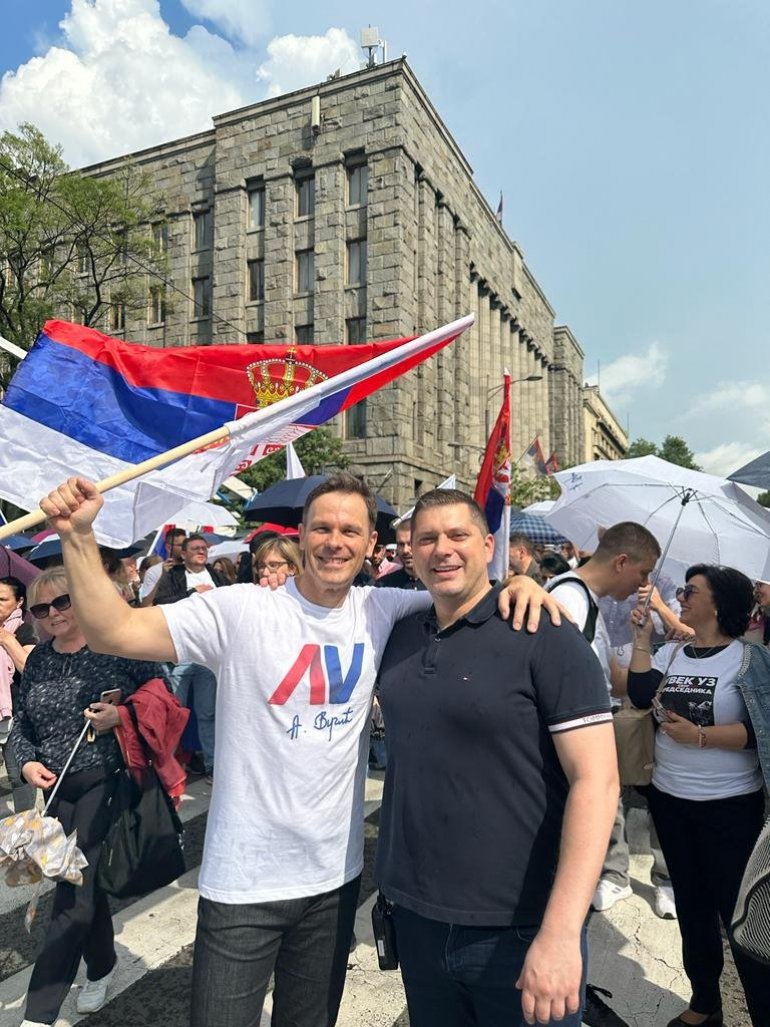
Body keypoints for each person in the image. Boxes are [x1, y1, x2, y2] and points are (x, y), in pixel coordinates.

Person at [39, 473, 560, 1027]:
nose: (335, 541)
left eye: (350, 530)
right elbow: (113, 631)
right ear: (301, 535)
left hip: (334, 882)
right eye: (322, 528)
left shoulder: (384, 608)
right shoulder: (240, 610)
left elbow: (462, 590)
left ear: (370, 544)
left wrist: (516, 586)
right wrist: (78, 536)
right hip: (243, 882)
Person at [376, 489, 619, 1027]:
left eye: (457, 535)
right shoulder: (399, 631)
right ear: (410, 551)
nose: (442, 549)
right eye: (427, 538)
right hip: (416, 919)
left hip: (520, 927)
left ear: (488, 546)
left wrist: (561, 934)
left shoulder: (545, 633)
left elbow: (598, 782)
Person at [11, 567, 165, 1027]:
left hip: (107, 782)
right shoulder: (39, 658)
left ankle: (37, 1014)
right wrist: (25, 762)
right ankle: (101, 966)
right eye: (41, 608)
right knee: (82, 888)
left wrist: (121, 716)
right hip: (56, 792)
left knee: (72, 895)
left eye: (62, 601)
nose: (53, 614)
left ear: (81, 598)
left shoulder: (117, 645)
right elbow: (21, 724)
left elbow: (162, 698)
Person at [628, 564, 770, 1027]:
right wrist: (643, 640)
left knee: (742, 919)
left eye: (691, 591)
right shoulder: (673, 653)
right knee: (691, 906)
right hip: (670, 800)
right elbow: (640, 693)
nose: (681, 597)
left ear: (719, 603)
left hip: (731, 808)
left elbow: (763, 730)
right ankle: (705, 1003)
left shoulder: (751, 659)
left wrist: (702, 737)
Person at [546, 522, 662, 914]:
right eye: (643, 573)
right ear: (622, 562)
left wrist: (646, 646)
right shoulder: (569, 598)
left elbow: (614, 679)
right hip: (568, 744)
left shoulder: (587, 602)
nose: (643, 583)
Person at [153, 534, 229, 782]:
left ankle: (212, 765)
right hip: (183, 653)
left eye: (204, 548)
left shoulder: (216, 575)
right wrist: (192, 592)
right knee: (175, 714)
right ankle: (168, 769)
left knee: (208, 713)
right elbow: (161, 603)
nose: (201, 551)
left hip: (210, 653)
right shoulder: (173, 576)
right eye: (195, 548)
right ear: (183, 553)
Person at [0, 576, 36, 811]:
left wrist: (5, 639)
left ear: (19, 601)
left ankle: (26, 823)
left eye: (2, 599)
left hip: (14, 713)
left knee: (17, 774)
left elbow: (28, 667)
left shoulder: (24, 630)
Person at [139, 527, 186, 605]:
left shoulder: (194, 570)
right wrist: (162, 577)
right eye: (181, 545)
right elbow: (146, 605)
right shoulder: (154, 572)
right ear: (168, 547)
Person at [375, 519, 426, 590]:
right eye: (401, 544)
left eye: (410, 543)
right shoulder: (384, 586)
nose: (405, 550)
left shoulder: (438, 583)